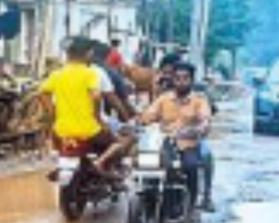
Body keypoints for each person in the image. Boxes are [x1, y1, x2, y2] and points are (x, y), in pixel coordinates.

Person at [40, 38, 132, 178]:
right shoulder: (90, 74)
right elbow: (96, 96)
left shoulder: (56, 74)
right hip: (89, 129)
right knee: (118, 143)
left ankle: (62, 166)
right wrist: (97, 118)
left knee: (56, 148)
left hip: (61, 130)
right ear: (87, 54)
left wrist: (52, 111)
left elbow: (42, 94)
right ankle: (99, 163)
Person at [140, 62, 216, 212]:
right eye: (177, 78)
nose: (181, 82)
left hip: (188, 144)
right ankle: (148, 203)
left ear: (191, 81)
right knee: (145, 166)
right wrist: (139, 121)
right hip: (164, 145)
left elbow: (205, 120)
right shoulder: (163, 99)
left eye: (185, 78)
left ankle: (191, 208)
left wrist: (198, 128)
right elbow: (148, 115)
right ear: (172, 80)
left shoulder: (199, 100)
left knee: (190, 166)